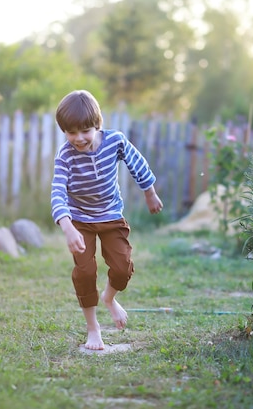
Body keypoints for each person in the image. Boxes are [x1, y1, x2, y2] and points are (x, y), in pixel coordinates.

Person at [51, 90, 163, 350]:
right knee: (85, 271)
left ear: (97, 125)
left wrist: (150, 193)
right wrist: (67, 227)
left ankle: (109, 298)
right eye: (70, 132)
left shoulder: (115, 141)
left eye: (85, 131)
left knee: (123, 268)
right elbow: (57, 192)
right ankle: (93, 329)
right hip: (79, 220)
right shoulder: (65, 156)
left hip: (111, 215)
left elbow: (138, 164)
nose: (78, 139)